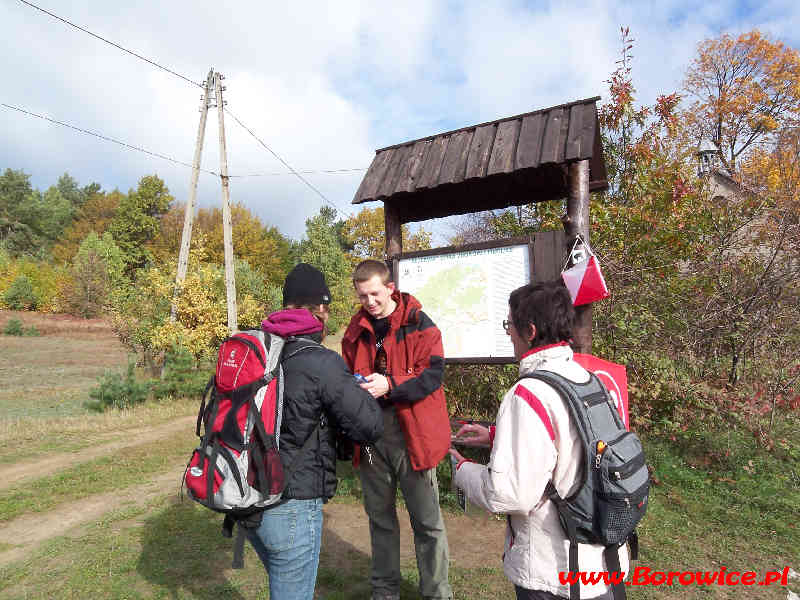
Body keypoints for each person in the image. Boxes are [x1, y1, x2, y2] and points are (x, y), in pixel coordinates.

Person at [450, 281, 628, 600]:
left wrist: (462, 469)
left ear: (529, 331)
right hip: (604, 559)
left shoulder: (528, 393)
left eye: (509, 325)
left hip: (554, 571)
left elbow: (508, 494)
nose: (508, 333)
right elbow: (575, 441)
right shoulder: (587, 379)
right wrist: (494, 436)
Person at [248, 263, 384, 600]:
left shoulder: (258, 348)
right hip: (292, 502)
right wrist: (359, 391)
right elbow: (369, 426)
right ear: (320, 309)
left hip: (247, 495)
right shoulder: (321, 361)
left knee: (288, 583)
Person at [342, 259, 452, 600]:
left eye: (374, 293)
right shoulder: (355, 329)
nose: (369, 302)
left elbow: (432, 375)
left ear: (390, 288)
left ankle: (437, 593)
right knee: (380, 520)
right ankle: (385, 591)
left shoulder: (420, 323)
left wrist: (389, 384)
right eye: (363, 296)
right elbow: (345, 374)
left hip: (413, 433)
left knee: (427, 523)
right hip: (372, 435)